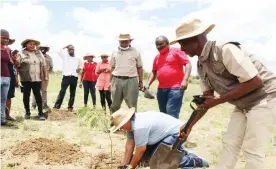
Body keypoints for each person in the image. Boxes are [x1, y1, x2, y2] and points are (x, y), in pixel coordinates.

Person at [170, 19, 276, 169]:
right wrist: (189, 126)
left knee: (252, 149)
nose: (181, 49)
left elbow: (255, 81)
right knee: (229, 142)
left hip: (266, 98)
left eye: (184, 43)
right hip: (242, 103)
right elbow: (207, 100)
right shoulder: (201, 64)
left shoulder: (225, 50)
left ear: (197, 39)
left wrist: (218, 100)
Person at [110, 107, 209, 169]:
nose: (121, 128)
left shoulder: (139, 126)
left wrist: (131, 167)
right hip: (163, 136)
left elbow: (140, 149)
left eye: (121, 125)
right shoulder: (132, 124)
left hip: (176, 133)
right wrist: (124, 163)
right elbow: (129, 144)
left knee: (159, 163)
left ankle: (194, 160)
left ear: (127, 120)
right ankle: (179, 151)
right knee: (145, 159)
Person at [147, 35, 192, 119]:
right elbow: (154, 72)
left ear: (167, 43)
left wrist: (185, 80)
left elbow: (187, 64)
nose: (158, 46)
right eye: (156, 45)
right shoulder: (157, 57)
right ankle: (166, 132)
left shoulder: (176, 51)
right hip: (161, 89)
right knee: (163, 113)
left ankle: (174, 132)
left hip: (175, 88)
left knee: (171, 112)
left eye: (161, 44)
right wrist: (148, 84)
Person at [14, 38, 48, 120]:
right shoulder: (21, 53)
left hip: (37, 79)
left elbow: (44, 65)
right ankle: (27, 113)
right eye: (30, 44)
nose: (32, 46)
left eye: (34, 44)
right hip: (26, 79)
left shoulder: (39, 53)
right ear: (25, 45)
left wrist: (46, 75)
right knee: (26, 96)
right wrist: (16, 78)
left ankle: (40, 113)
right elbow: (17, 67)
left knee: (38, 96)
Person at [110, 34, 143, 113]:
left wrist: (140, 81)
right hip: (116, 80)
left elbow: (140, 67)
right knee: (115, 104)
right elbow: (112, 67)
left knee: (132, 105)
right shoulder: (114, 52)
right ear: (119, 41)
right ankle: (114, 123)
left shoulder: (136, 52)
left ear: (130, 41)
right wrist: (110, 81)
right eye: (121, 41)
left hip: (131, 80)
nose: (123, 43)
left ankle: (134, 124)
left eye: (125, 41)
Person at [53, 45, 82, 112]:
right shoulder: (65, 56)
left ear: (74, 50)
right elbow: (58, 50)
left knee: (72, 93)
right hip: (66, 77)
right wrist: (66, 46)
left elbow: (81, 66)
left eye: (72, 49)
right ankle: (57, 107)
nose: (71, 50)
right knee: (62, 91)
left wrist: (79, 69)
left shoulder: (78, 58)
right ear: (67, 50)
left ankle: (70, 107)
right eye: (69, 49)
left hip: (74, 77)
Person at [1, 29, 15, 125]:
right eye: (3, 38)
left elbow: (11, 63)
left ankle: (2, 119)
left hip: (7, 77)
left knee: (3, 100)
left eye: (7, 38)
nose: (6, 40)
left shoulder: (8, 50)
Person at [32, 45, 53, 109]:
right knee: (35, 90)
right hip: (36, 75)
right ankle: (33, 104)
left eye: (45, 48)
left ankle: (44, 104)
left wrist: (46, 73)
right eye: (41, 48)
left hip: (45, 76)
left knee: (44, 90)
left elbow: (51, 67)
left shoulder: (49, 57)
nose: (43, 49)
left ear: (46, 49)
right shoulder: (34, 56)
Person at [6, 49, 19, 121]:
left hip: (12, 81)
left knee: (9, 97)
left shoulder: (14, 63)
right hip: (5, 80)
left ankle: (7, 115)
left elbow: (15, 72)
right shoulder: (5, 61)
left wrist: (16, 80)